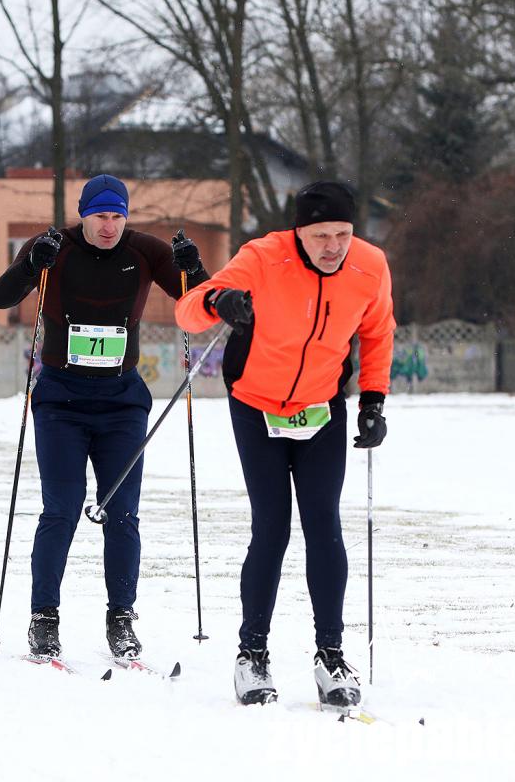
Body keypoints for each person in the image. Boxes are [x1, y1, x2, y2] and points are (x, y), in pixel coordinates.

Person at [174, 181, 394, 707]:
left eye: (343, 233)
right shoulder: (263, 257)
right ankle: (252, 654)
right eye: (321, 235)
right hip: (256, 404)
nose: (333, 246)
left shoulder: (370, 265)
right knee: (270, 527)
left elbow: (378, 331)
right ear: (300, 231)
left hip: (322, 408)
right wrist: (219, 300)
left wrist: (373, 400)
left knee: (324, 526)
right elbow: (188, 311)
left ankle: (331, 656)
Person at [0, 174, 209, 660]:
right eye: (99, 216)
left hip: (121, 402)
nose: (109, 227)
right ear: (83, 214)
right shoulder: (54, 246)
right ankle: (43, 617)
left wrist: (196, 270)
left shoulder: (146, 251)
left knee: (123, 515)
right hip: (61, 401)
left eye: (117, 216)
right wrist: (31, 264)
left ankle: (121, 619)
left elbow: (201, 308)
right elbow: (2, 297)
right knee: (61, 510)